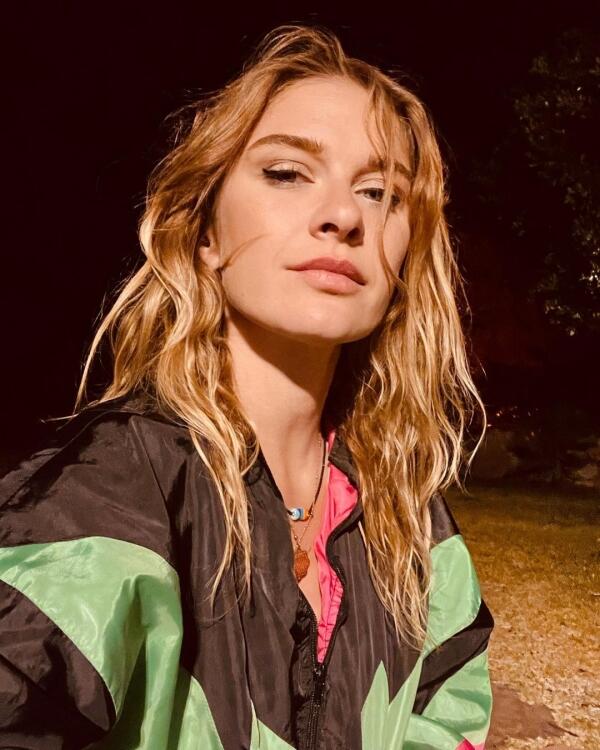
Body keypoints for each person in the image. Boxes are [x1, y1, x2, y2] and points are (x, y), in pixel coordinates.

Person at [0, 23, 494, 750]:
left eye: (379, 191)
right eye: (287, 172)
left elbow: (450, 709)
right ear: (206, 233)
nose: (344, 216)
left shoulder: (413, 517)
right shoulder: (112, 494)